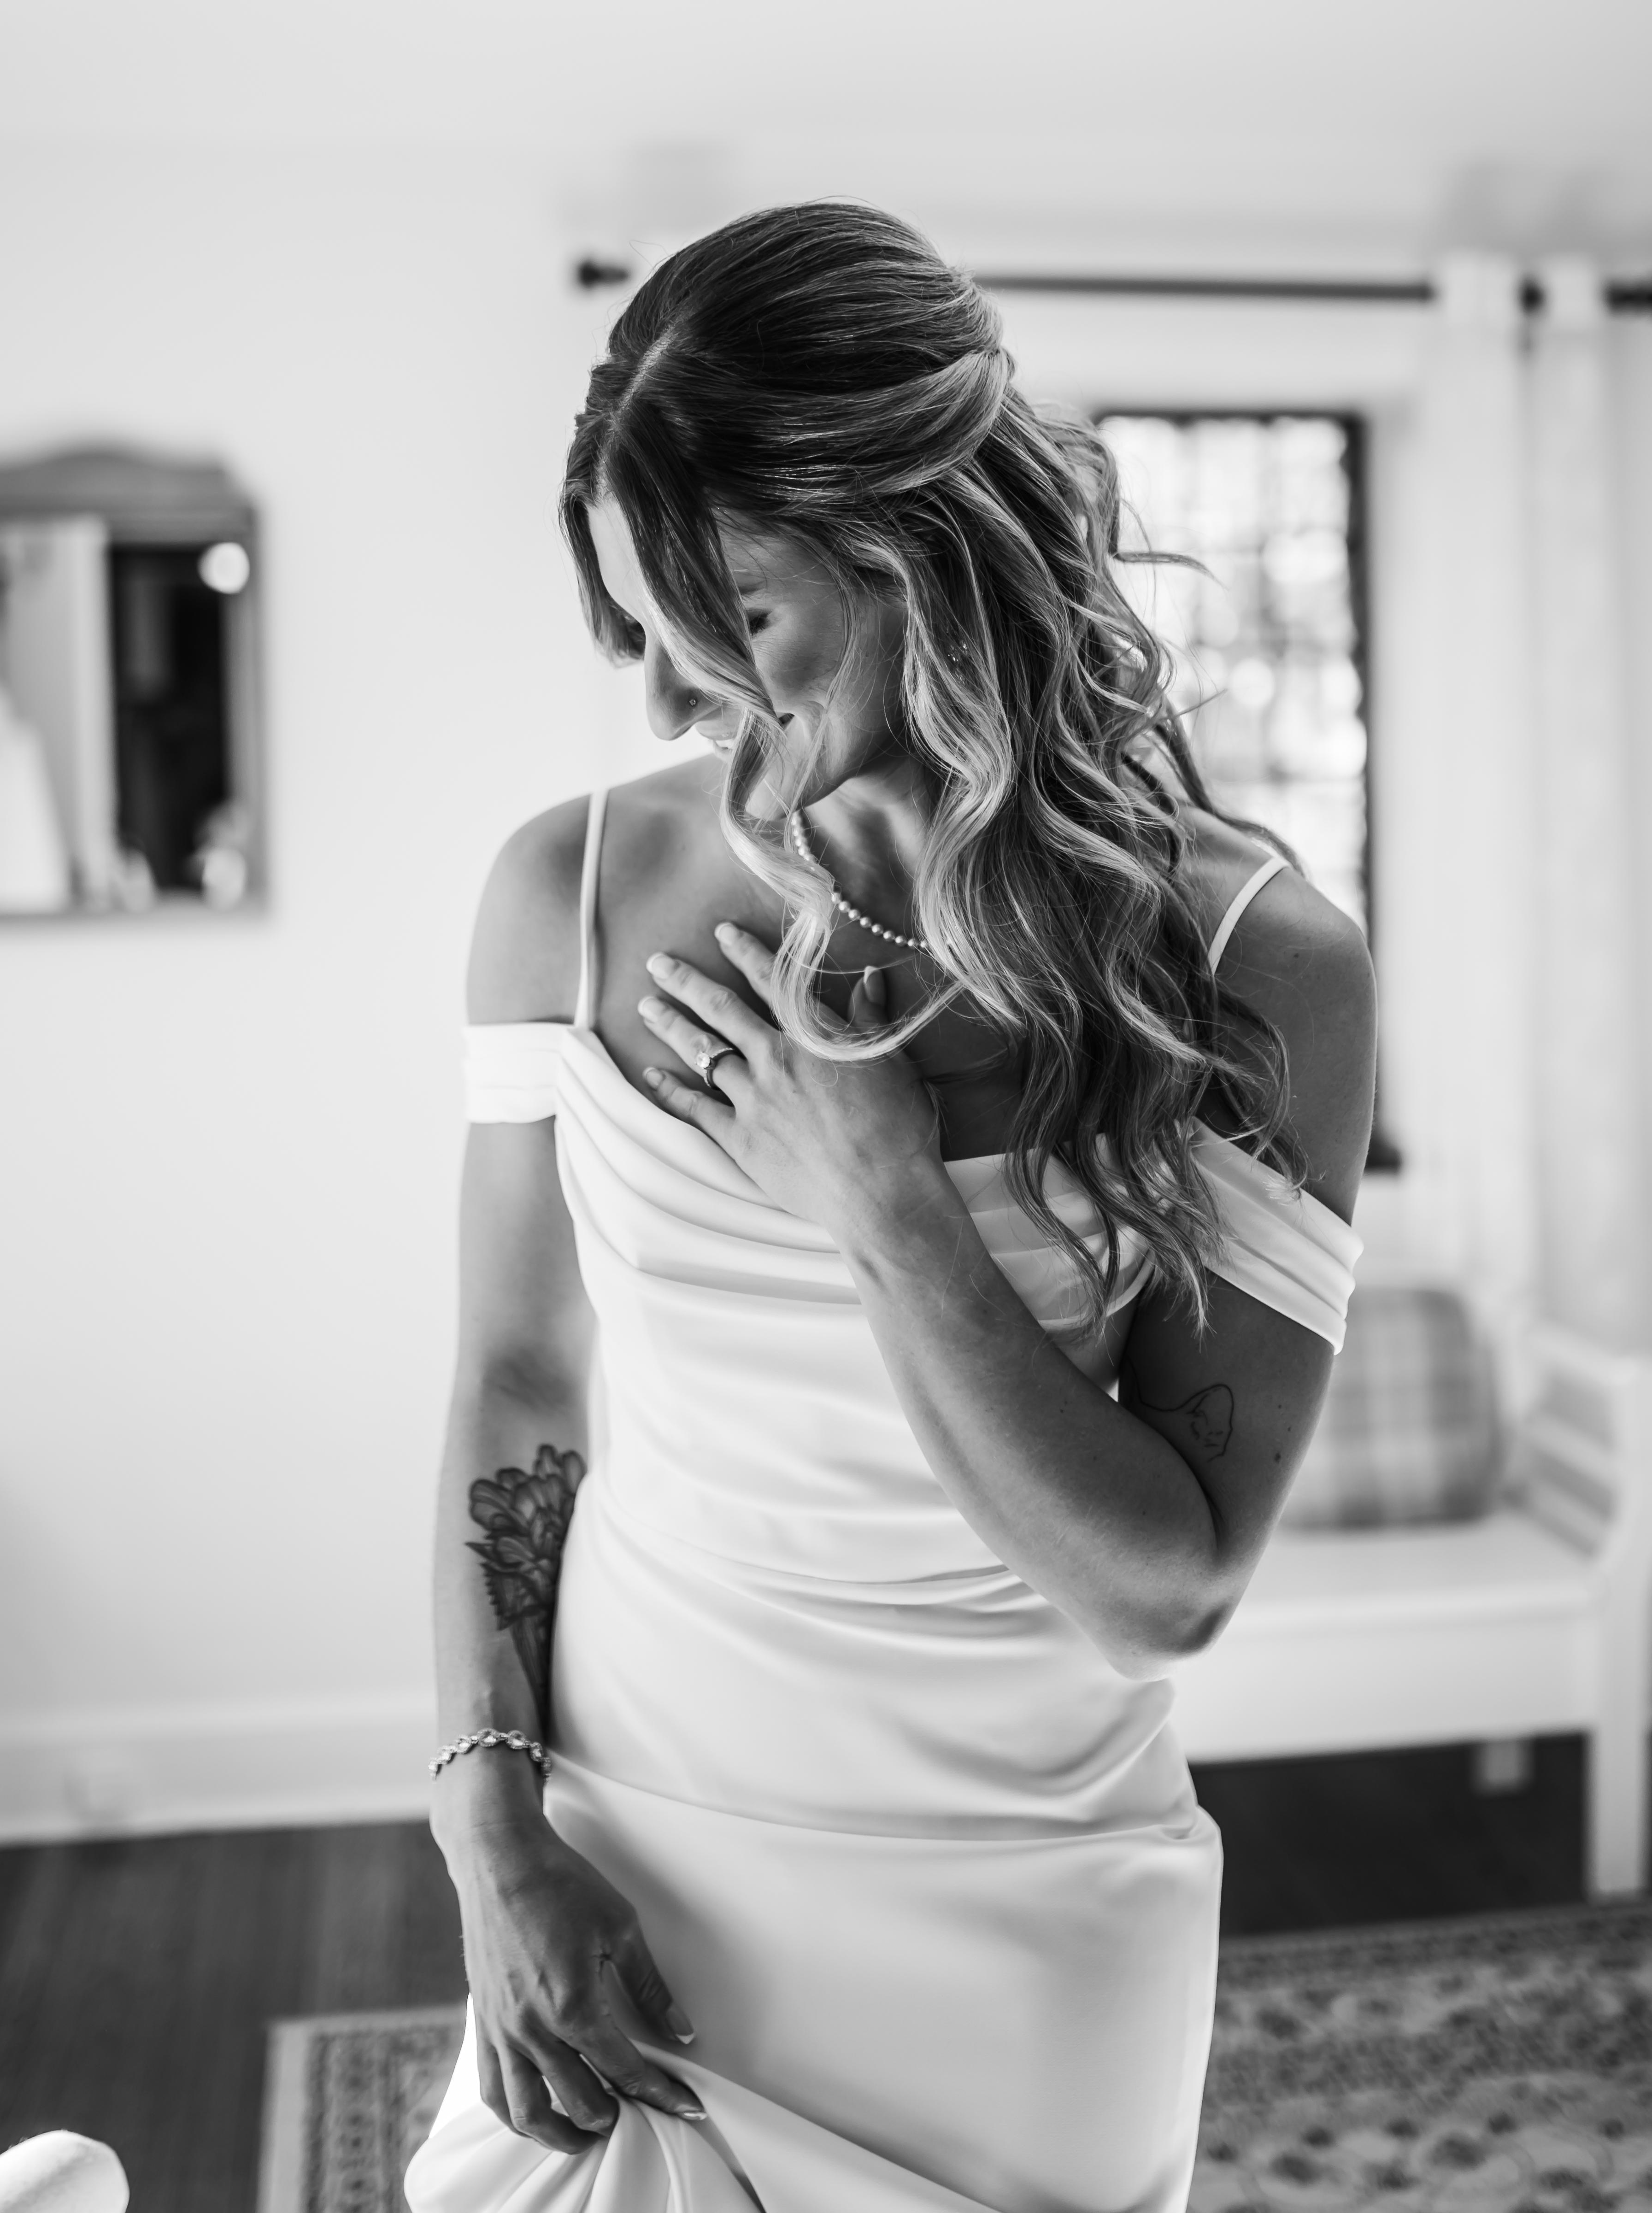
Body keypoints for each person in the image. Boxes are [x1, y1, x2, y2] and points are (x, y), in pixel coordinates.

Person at [406, 204, 1377, 2213]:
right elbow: (517, 1379)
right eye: (642, 625)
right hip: (636, 1847)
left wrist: (884, 1201)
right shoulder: (565, 900)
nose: (679, 695)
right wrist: (491, 1831)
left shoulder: (1258, 968)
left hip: (1022, 1918)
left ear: (914, 539)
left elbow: (1164, 1589)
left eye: (738, 614)